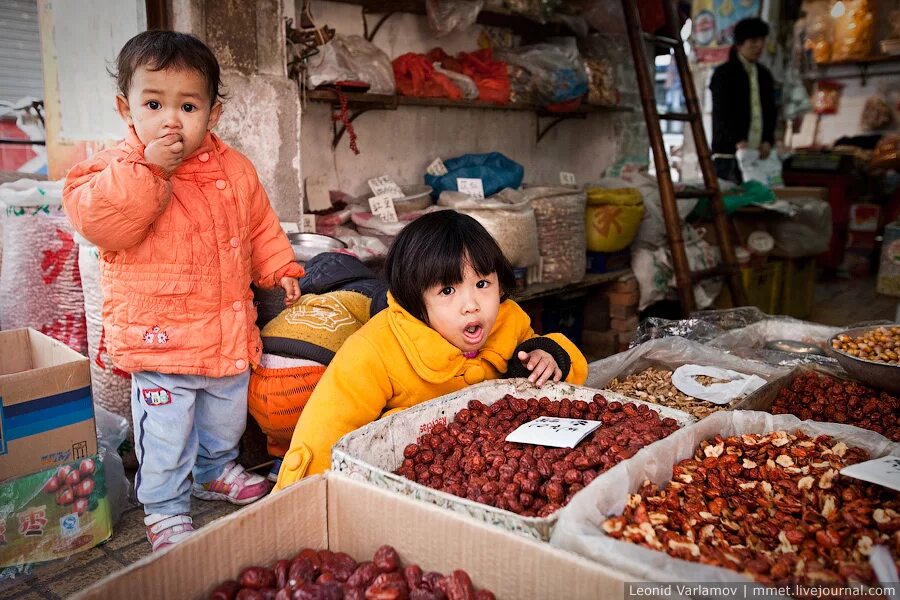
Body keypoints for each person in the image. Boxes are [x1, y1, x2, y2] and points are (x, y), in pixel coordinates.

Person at [62, 31, 303, 551]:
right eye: (154, 103)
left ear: (212, 114)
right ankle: (165, 506)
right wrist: (152, 168)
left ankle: (213, 473)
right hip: (161, 339)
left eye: (188, 105)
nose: (171, 119)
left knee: (225, 417)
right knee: (167, 431)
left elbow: (259, 224)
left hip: (224, 332)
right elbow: (104, 223)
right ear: (127, 109)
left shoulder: (235, 169)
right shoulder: (112, 168)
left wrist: (279, 264)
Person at [274, 210, 588, 489]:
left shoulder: (509, 322)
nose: (471, 305)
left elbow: (541, 362)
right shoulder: (375, 349)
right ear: (415, 299)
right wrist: (305, 494)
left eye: (482, 284)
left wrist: (548, 355)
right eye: (447, 290)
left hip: (481, 475)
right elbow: (324, 429)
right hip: (401, 483)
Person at [710, 17, 777, 183]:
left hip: (758, 155)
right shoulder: (724, 73)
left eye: (762, 40)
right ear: (739, 44)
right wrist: (737, 139)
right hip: (728, 154)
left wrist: (768, 140)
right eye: (753, 41)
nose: (759, 46)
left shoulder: (764, 75)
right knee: (730, 202)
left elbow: (771, 110)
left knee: (759, 201)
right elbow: (722, 111)